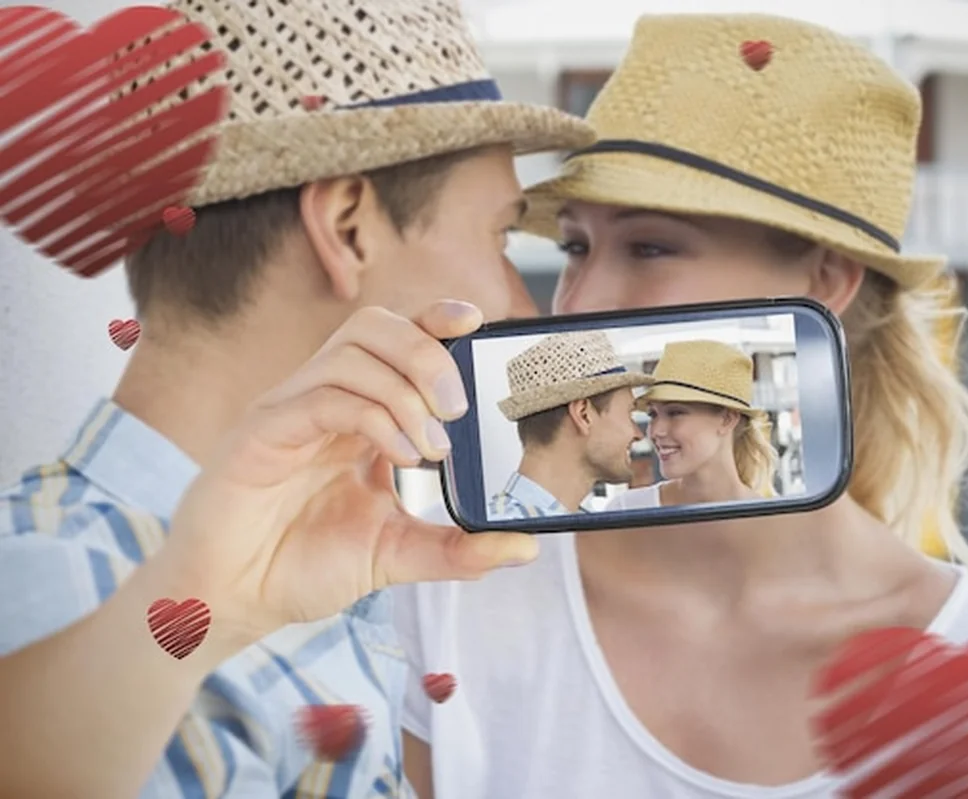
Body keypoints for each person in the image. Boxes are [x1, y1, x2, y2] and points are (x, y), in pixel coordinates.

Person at [394, 13, 968, 799]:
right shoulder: (450, 595)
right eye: (575, 247)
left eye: (650, 246)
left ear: (826, 280)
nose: (579, 300)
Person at [0, 0, 592, 796]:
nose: (522, 304)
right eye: (500, 237)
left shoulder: (322, 553)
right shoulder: (63, 590)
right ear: (347, 227)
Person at [490, 331, 652, 518]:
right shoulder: (506, 529)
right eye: (629, 414)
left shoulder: (570, 522)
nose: (639, 434)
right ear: (583, 415)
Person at [605, 339, 778, 510]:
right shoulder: (626, 510)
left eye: (675, 412)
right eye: (653, 414)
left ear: (727, 419)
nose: (655, 431)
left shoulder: (773, 519)